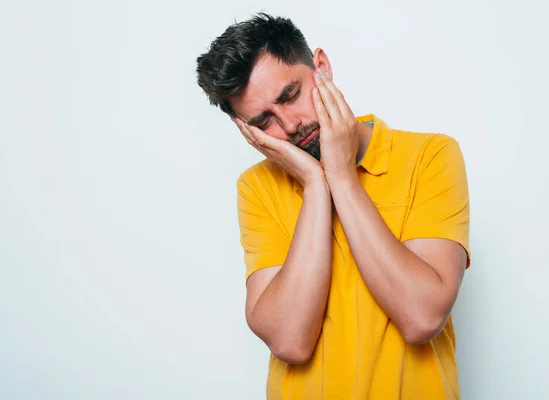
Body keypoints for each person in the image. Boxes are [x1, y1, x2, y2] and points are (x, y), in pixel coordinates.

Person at [196, 12, 471, 400]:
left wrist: (340, 176)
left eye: (290, 96)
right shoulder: (257, 188)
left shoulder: (430, 156)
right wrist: (314, 183)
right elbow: (291, 341)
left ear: (321, 67)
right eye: (263, 122)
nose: (290, 126)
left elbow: (422, 317)